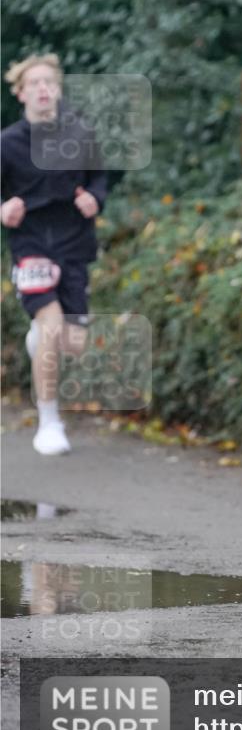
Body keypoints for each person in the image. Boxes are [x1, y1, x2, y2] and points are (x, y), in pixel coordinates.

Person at [1, 54, 107, 455]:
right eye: (35, 83)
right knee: (50, 325)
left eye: (50, 82)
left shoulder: (81, 135)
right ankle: (49, 423)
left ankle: (37, 340)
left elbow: (99, 179)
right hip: (31, 245)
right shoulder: (7, 143)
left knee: (73, 343)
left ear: (58, 90)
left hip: (75, 243)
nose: (43, 89)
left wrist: (94, 200)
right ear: (21, 92)